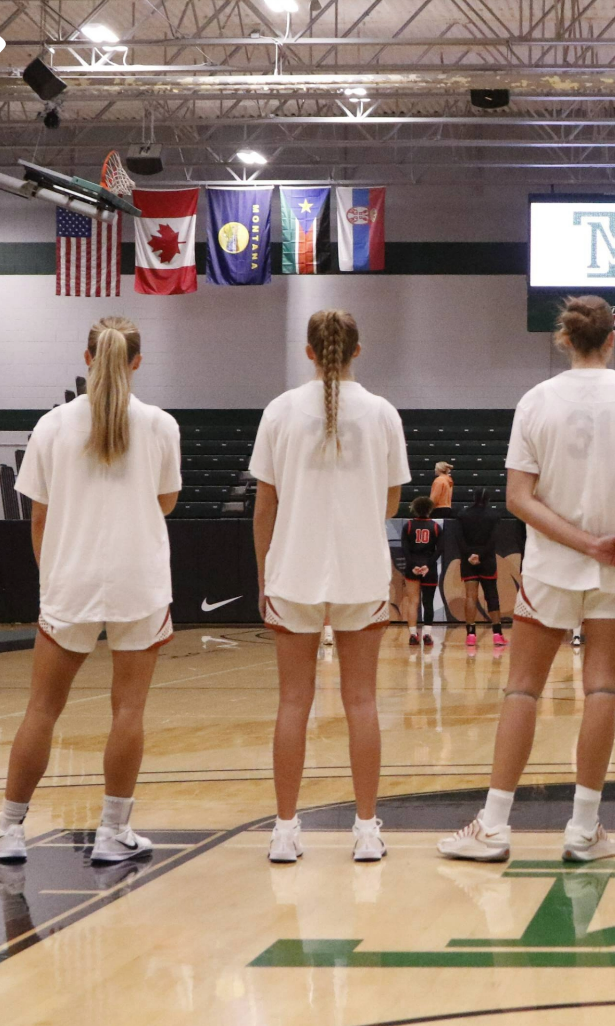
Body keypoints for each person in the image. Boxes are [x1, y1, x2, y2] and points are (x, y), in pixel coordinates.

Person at [439, 296, 615, 864]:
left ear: (566, 340)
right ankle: (584, 829)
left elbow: (518, 499)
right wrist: (609, 543)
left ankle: (494, 824)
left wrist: (581, 543)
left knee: (522, 689)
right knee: (602, 687)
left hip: (553, 565)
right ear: (613, 339)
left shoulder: (535, 400)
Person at [0, 316, 182, 864]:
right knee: (128, 711)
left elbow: (37, 518)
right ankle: (113, 833)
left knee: (42, 709)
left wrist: (55, 576)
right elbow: (165, 503)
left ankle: (9, 829)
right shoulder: (161, 424)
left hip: (71, 579)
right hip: (140, 579)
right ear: (136, 362)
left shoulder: (51, 426)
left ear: (87, 357)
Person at [253, 310, 409, 864]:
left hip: (292, 568)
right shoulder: (383, 413)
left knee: (293, 702)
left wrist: (264, 574)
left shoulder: (278, 411)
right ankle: (366, 830)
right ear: (357, 351)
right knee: (362, 701)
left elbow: (265, 505)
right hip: (361, 569)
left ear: (310, 352)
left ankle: (285, 831)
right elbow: (391, 502)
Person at [453, 487, 508, 656]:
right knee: (492, 595)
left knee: (471, 596)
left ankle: (470, 635)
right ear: (488, 498)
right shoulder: (494, 515)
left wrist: (470, 555)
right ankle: (497, 634)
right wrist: (481, 555)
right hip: (487, 560)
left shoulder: (462, 515)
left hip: (468, 560)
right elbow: (493, 541)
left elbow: (459, 539)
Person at [398, 496, 442, 646]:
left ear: (415, 509)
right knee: (428, 602)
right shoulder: (435, 526)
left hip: (413, 567)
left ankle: (412, 635)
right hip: (429, 567)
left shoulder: (408, 526)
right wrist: (428, 565)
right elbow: (440, 549)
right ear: (430, 509)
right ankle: (427, 635)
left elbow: (405, 549)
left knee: (413, 602)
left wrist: (412, 565)